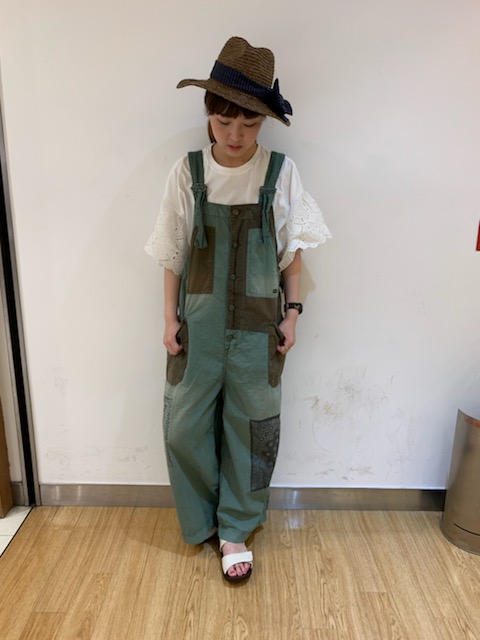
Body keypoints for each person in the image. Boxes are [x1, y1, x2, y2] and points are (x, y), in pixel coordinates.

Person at [145, 36, 331, 583]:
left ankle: (235, 529)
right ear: (208, 112)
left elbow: (291, 253)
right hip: (197, 327)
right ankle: (203, 516)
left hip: (258, 330)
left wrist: (292, 313)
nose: (235, 134)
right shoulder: (188, 172)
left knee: (253, 431)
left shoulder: (281, 173)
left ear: (264, 122)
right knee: (183, 429)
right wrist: (168, 319)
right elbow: (172, 251)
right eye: (224, 121)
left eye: (249, 123)